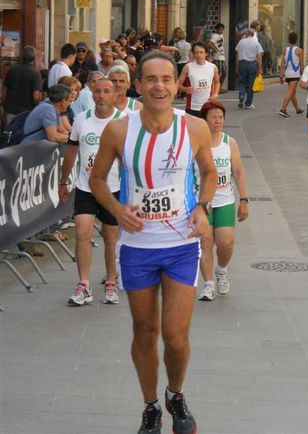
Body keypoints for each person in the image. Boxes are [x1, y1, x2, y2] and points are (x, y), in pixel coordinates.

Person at [88, 51, 217, 434]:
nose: (159, 86)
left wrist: (203, 208)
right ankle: (150, 408)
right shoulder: (119, 130)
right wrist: (115, 208)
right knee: (145, 334)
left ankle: (175, 395)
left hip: (180, 245)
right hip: (138, 248)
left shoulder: (194, 127)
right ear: (139, 85)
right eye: (151, 79)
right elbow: (96, 179)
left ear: (177, 84)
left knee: (176, 338)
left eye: (166, 79)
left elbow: (209, 172)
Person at [59, 78, 124, 306]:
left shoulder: (123, 121)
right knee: (82, 232)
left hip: (112, 189)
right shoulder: (81, 119)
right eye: (97, 91)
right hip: (86, 187)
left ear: (115, 95)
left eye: (107, 91)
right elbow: (71, 151)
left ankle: (110, 283)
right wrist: (63, 181)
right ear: (92, 94)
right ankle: (84, 285)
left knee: (110, 238)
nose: (101, 96)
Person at [197, 100, 249, 301]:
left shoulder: (230, 142)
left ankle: (221, 270)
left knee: (225, 243)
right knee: (206, 242)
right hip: (202, 203)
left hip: (225, 200)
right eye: (213, 117)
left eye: (221, 117)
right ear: (205, 120)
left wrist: (244, 199)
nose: (218, 121)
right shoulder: (196, 142)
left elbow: (238, 172)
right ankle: (208, 284)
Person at [1, 45, 41, 126]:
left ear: (22, 57)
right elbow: (36, 97)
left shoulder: (12, 69)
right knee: (23, 136)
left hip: (10, 110)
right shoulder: (35, 73)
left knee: (9, 135)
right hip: (26, 112)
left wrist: (4, 104)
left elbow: (4, 92)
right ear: (34, 58)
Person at [177, 42, 219, 117]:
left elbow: (217, 82)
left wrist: (215, 94)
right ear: (193, 54)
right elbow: (178, 84)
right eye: (196, 52)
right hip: (192, 107)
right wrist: (185, 89)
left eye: (201, 52)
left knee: (206, 128)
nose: (199, 55)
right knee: (192, 129)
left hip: (207, 105)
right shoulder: (188, 67)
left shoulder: (213, 67)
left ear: (206, 53)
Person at [278, 32, 305, 117]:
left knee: (292, 93)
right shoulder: (299, 50)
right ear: (296, 40)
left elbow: (282, 63)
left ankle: (298, 110)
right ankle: (283, 109)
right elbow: (301, 64)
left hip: (287, 74)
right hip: (295, 74)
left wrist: (281, 75)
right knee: (290, 91)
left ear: (288, 40)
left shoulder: (285, 50)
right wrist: (305, 75)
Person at [234, 29, 263, 110]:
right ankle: (248, 104)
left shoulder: (241, 42)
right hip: (252, 64)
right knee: (251, 84)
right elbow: (259, 57)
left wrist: (237, 67)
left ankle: (242, 94)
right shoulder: (256, 43)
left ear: (246, 34)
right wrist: (260, 68)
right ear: (253, 35)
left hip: (242, 64)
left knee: (242, 81)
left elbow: (238, 55)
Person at [210, 23, 227, 92]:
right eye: (220, 29)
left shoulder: (221, 36)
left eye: (222, 29)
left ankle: (219, 86)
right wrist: (216, 50)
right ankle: (216, 88)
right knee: (219, 73)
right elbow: (210, 44)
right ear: (217, 29)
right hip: (217, 57)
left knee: (224, 72)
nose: (221, 31)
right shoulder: (214, 36)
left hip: (222, 56)